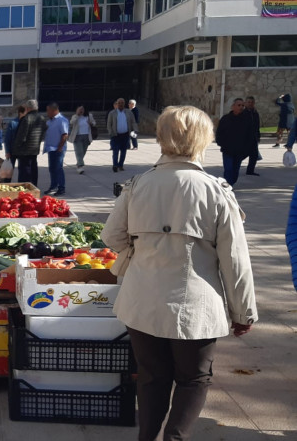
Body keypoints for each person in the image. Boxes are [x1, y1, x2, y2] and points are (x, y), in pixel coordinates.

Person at [102, 105, 257, 441]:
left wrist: (142, 249)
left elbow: (111, 237)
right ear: (204, 139)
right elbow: (235, 259)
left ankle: (147, 437)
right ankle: (175, 437)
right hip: (196, 304)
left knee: (151, 376)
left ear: (161, 137)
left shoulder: (138, 184)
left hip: (142, 300)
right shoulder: (216, 191)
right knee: (193, 378)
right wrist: (243, 311)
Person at [216, 98, 251, 186]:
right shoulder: (225, 119)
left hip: (240, 150)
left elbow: (249, 134)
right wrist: (220, 142)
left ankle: (231, 182)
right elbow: (219, 132)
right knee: (228, 169)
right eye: (239, 105)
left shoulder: (246, 119)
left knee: (235, 170)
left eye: (242, 105)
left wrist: (247, 147)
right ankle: (227, 185)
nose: (241, 107)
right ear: (233, 107)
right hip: (227, 149)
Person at [12, 99, 43, 186]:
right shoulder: (42, 118)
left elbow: (21, 136)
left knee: (24, 173)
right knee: (33, 170)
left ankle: (25, 190)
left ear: (28, 108)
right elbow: (42, 134)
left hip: (24, 151)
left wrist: (15, 148)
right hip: (34, 149)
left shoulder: (26, 119)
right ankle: (34, 187)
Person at [44, 103, 69, 196]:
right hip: (50, 148)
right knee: (52, 168)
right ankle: (53, 186)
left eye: (48, 110)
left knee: (58, 168)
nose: (47, 113)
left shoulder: (62, 120)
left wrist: (60, 147)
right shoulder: (49, 122)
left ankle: (61, 188)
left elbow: (65, 135)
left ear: (54, 110)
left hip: (58, 149)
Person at [107, 97, 136, 173]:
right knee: (115, 151)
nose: (120, 104)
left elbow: (133, 121)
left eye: (122, 103)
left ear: (124, 104)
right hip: (116, 135)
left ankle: (121, 165)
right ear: (117, 104)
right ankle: (115, 165)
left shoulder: (128, 112)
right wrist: (111, 132)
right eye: (119, 103)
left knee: (123, 152)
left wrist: (134, 131)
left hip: (125, 135)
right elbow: (109, 124)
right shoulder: (112, 113)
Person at [68, 106, 95, 174]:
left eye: (82, 109)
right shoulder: (75, 116)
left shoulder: (89, 116)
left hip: (86, 136)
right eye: (79, 109)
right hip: (77, 136)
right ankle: (80, 166)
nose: (81, 111)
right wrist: (77, 115)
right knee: (79, 152)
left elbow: (94, 123)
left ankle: (78, 163)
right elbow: (71, 122)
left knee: (83, 152)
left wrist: (91, 123)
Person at [2, 105, 25, 183]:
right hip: (13, 150)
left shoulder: (25, 122)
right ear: (20, 113)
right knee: (9, 169)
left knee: (22, 170)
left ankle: (20, 184)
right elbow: (7, 138)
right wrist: (7, 151)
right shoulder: (13, 123)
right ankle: (7, 184)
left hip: (21, 151)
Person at [243, 96, 261, 176]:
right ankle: (234, 167)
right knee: (242, 154)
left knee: (254, 155)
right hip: (245, 137)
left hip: (254, 137)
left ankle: (250, 170)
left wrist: (258, 136)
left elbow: (257, 125)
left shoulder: (255, 113)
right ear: (245, 103)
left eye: (252, 102)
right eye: (249, 102)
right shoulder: (243, 113)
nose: (250, 104)